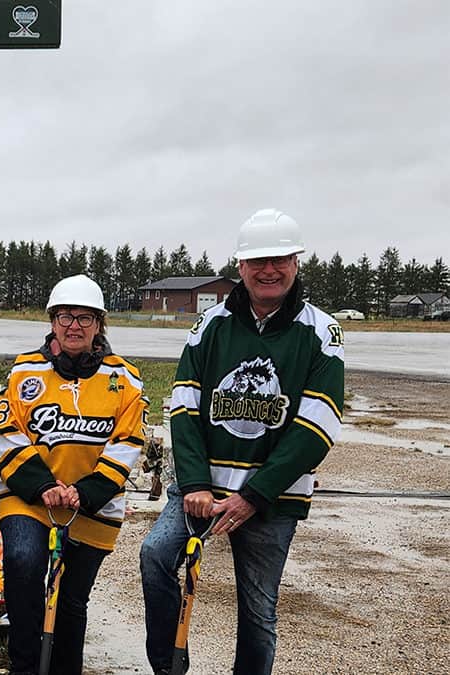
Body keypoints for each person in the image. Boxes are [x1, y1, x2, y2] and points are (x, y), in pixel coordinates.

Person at [140, 209, 345, 675]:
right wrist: (192, 483)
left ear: (296, 263)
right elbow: (184, 406)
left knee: (257, 613)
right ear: (240, 267)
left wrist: (254, 495)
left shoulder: (321, 332)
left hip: (270, 500)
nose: (269, 270)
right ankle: (169, 665)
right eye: (258, 261)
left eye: (279, 260)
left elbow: (318, 426)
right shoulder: (210, 325)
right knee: (154, 556)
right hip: (201, 490)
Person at [0, 274, 148, 675]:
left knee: (73, 600)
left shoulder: (125, 378)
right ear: (52, 321)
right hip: (29, 497)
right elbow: (5, 432)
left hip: (91, 500)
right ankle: (24, 666)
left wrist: (86, 491)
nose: (73, 325)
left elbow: (128, 441)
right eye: (64, 316)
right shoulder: (25, 371)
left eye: (84, 317)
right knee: (24, 565)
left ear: (99, 324)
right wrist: (43, 486)